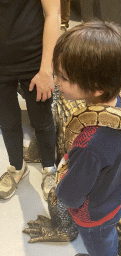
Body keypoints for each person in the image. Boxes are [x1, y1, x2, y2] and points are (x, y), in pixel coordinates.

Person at [53, 20, 121, 256]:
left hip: (94, 214)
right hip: (115, 194)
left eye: (64, 77)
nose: (57, 82)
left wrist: (61, 169)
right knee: (108, 235)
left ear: (97, 87)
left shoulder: (88, 144)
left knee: (100, 244)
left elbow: (69, 195)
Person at [0, 0, 61, 201]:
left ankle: (49, 169)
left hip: (34, 61)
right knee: (7, 121)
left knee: (42, 120)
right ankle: (17, 167)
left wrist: (46, 70)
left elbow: (53, 14)